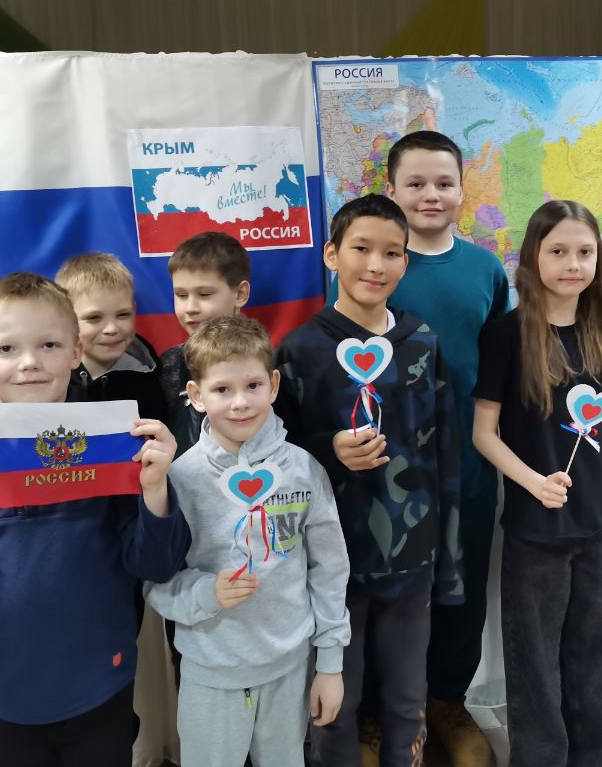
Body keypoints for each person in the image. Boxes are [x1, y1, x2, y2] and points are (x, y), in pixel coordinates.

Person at [0, 272, 190, 767]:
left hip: (101, 683)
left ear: (76, 352)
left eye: (49, 345)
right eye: (6, 349)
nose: (29, 362)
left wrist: (156, 490)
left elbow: (157, 565)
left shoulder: (117, 449)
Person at [329, 130, 509, 766]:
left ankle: (446, 702)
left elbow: (504, 361)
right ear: (391, 190)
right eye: (415, 183)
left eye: (444, 183)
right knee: (381, 593)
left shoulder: (485, 269)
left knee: (460, 585)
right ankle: (375, 715)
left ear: (463, 189)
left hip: (470, 461)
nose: (431, 195)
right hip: (387, 467)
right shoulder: (375, 269)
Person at [275, 193, 463, 767]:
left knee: (408, 696)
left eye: (392, 253)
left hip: (412, 556)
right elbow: (274, 457)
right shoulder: (299, 350)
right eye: (361, 248)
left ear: (406, 261)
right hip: (329, 563)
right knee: (335, 698)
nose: (376, 265)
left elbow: (446, 456)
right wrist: (328, 451)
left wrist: (448, 561)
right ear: (332, 254)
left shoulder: (423, 342)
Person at [473, 199, 602, 766]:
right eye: (558, 251)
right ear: (533, 257)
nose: (572, 264)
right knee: (534, 664)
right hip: (535, 534)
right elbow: (483, 433)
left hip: (601, 531)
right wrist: (533, 483)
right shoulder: (505, 335)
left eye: (584, 252)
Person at [144, 315, 351, 767]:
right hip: (212, 672)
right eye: (222, 389)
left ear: (273, 385)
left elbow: (330, 569)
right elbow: (155, 580)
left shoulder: (304, 470)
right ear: (196, 396)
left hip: (290, 667)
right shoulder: (178, 478)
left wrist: (330, 664)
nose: (240, 402)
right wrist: (207, 594)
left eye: (253, 385)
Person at [157, 232, 252, 455]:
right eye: (181, 295)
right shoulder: (169, 365)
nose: (190, 307)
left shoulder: (265, 362)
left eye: (204, 294)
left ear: (240, 293)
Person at [56, 252, 167, 422]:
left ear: (134, 310)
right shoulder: (52, 380)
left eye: (123, 315)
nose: (111, 329)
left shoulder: (152, 381)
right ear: (66, 318)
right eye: (94, 318)